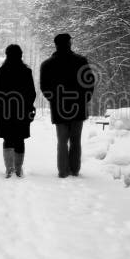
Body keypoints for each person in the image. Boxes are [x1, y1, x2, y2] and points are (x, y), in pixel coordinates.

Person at [40, 33, 95, 178]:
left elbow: (44, 87)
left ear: (56, 44)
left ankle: (63, 171)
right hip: (78, 106)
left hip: (59, 108)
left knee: (62, 141)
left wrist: (54, 99)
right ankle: (75, 169)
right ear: (69, 44)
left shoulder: (47, 64)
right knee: (76, 140)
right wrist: (84, 99)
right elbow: (89, 83)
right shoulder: (81, 61)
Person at [0, 44, 36, 178]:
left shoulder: (0, 72)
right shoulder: (26, 72)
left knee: (8, 139)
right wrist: (27, 106)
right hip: (22, 111)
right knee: (20, 139)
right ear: (20, 55)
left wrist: (0, 108)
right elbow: (31, 93)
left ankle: (9, 168)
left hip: (5, 112)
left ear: (7, 55)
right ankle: (18, 169)